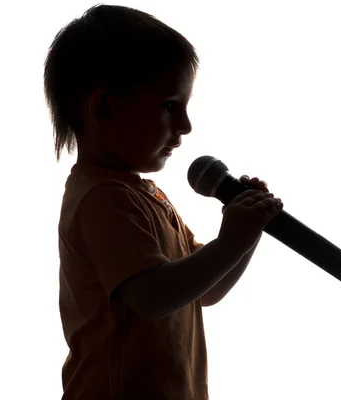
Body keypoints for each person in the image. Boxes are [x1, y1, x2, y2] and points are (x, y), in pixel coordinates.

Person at [43, 4, 283, 400]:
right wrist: (232, 241)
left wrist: (249, 233)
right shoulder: (101, 200)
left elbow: (205, 290)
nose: (186, 126)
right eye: (170, 105)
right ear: (104, 108)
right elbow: (152, 298)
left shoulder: (145, 196)